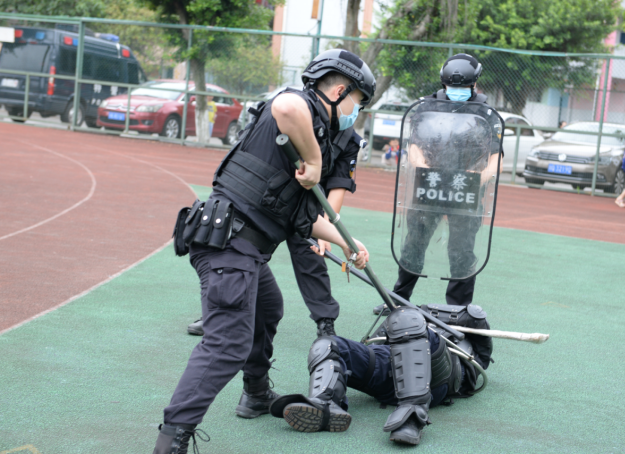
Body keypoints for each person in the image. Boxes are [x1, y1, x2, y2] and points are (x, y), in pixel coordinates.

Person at [153, 49, 376, 453]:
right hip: (230, 245)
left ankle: (255, 394)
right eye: (357, 102)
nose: (355, 112)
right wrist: (312, 159)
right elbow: (285, 105)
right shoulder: (301, 106)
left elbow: (304, 219)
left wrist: (348, 241)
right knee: (226, 344)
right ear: (341, 91)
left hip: (245, 249)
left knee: (268, 307)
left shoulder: (321, 134)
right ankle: (171, 440)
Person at [187, 100, 366, 338]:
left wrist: (327, 229)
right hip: (275, 200)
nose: (354, 111)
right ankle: (215, 313)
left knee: (311, 261)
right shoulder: (305, 113)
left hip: (310, 212)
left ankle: (325, 323)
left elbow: (338, 188)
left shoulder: (348, 139)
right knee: (241, 253)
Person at [373, 53, 503, 315]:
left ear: (474, 84)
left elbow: (495, 158)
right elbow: (414, 146)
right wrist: (420, 165)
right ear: (444, 84)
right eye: (452, 88)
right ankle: (399, 300)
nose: (456, 92)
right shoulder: (426, 107)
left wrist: (478, 179)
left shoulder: (487, 113)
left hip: (466, 188)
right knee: (414, 243)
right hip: (428, 184)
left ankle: (458, 310)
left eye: (462, 88)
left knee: (462, 250)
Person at [269, 305, 493, 445]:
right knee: (327, 343)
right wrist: (403, 311)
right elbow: (382, 336)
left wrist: (418, 312)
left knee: (407, 319)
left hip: (436, 378)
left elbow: (475, 317)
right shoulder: (407, 314)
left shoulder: (471, 344)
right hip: (387, 367)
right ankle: (325, 403)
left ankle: (412, 416)